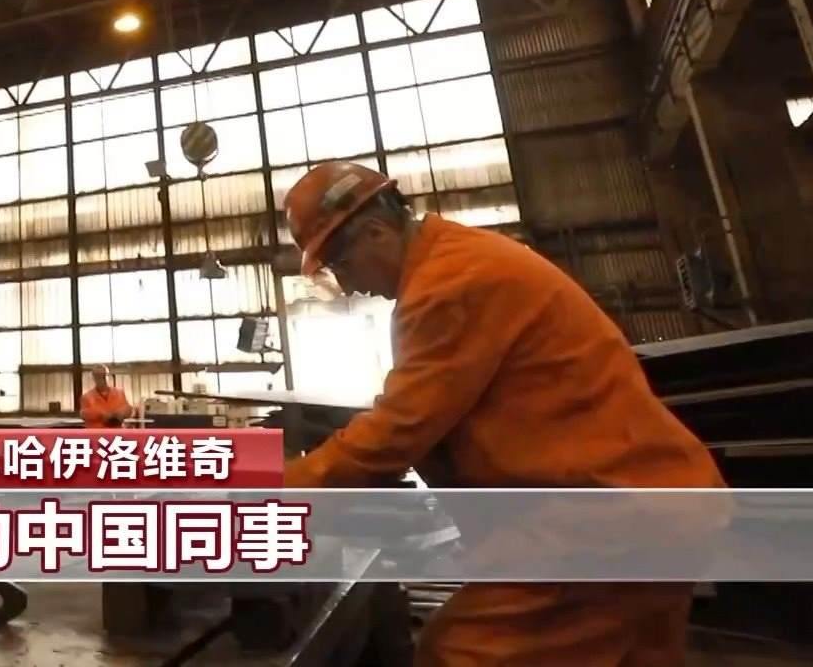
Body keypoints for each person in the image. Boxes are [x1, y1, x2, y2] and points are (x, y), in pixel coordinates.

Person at [280, 160, 724, 666]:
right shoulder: (458, 260)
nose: (348, 286)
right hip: (654, 507)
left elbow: (397, 433)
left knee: (456, 655)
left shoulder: (448, 285)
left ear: (376, 232)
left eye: (341, 267)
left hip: (603, 524)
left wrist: (275, 489)